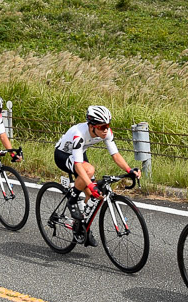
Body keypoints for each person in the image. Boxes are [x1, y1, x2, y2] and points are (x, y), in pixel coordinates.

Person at [54, 105, 140, 245]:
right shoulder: (79, 134)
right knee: (89, 171)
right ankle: (72, 199)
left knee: (92, 195)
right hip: (63, 155)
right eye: (101, 127)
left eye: (107, 125)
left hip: (79, 154)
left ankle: (82, 227)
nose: (105, 130)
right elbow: (78, 166)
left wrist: (129, 170)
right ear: (92, 126)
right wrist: (90, 184)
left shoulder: (107, 133)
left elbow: (115, 155)